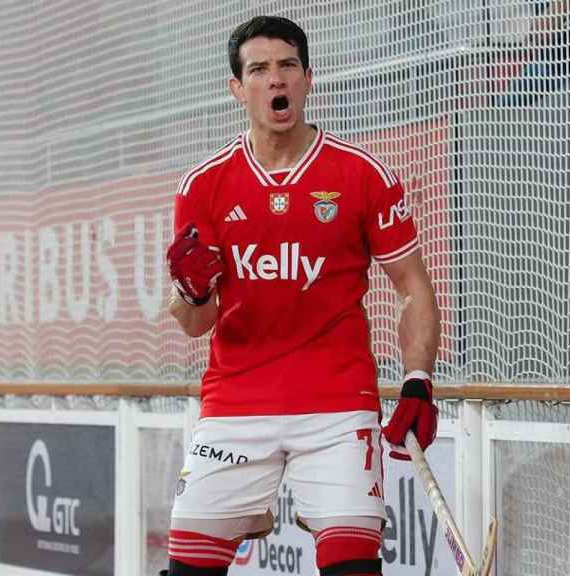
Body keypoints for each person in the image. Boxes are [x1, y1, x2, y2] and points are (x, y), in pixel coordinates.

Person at [161, 15, 441, 576]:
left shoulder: (362, 174)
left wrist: (418, 380)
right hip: (236, 403)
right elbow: (196, 322)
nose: (275, 80)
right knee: (188, 569)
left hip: (337, 405)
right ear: (237, 89)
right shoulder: (204, 186)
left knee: (352, 566)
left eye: (287, 65)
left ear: (308, 79)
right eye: (259, 70)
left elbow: (413, 285)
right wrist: (190, 292)